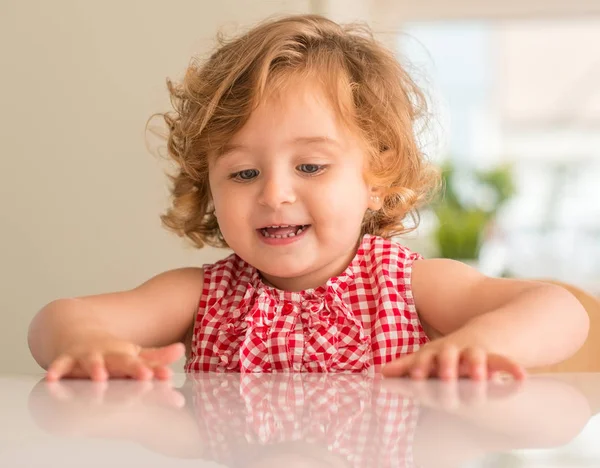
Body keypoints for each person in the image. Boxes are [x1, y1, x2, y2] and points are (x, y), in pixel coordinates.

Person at [28, 14, 588, 381]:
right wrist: (88, 346)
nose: (274, 193)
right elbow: (57, 319)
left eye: (311, 166)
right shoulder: (203, 296)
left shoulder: (403, 285)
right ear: (209, 186)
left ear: (377, 178)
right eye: (243, 174)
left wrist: (478, 343)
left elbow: (559, 311)